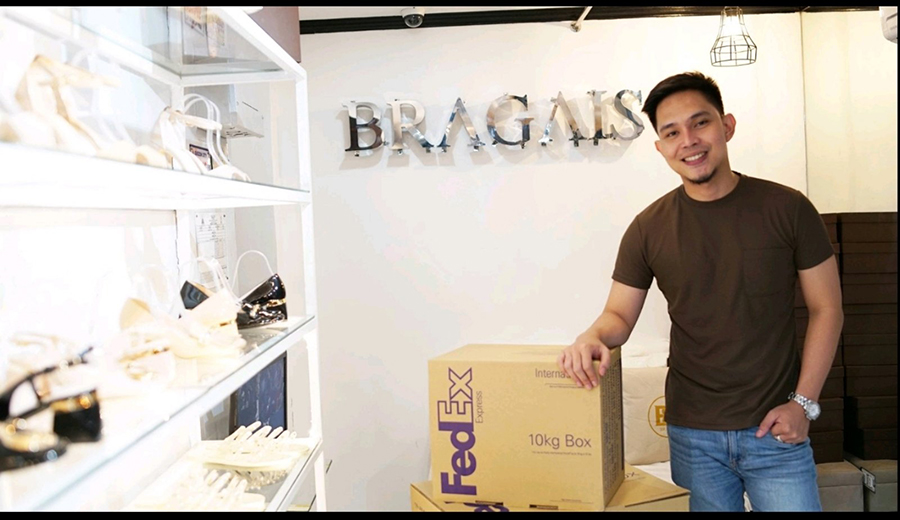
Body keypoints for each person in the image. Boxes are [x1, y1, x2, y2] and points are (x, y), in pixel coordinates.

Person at [557, 71, 843, 512]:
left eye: (700, 123)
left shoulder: (789, 209)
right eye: (671, 132)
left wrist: (804, 404)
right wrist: (590, 337)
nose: (688, 140)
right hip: (693, 435)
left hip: (775, 427)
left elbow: (827, 309)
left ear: (726, 126)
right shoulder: (648, 228)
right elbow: (618, 316)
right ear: (660, 147)